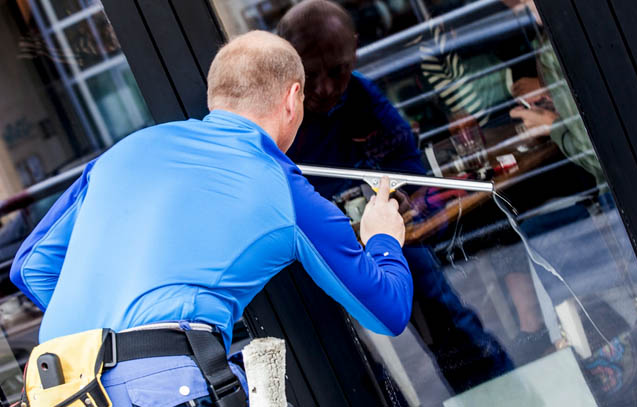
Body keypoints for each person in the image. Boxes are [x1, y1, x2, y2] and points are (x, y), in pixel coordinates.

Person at [9, 31, 413, 406]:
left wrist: (102, 334)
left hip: (60, 389)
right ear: (293, 99)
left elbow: (31, 267)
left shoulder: (122, 152)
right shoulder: (287, 193)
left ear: (215, 97)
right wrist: (383, 238)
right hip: (164, 389)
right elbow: (386, 311)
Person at [277, 0, 513, 394]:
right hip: (303, 254)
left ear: (354, 49)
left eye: (338, 70)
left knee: (448, 320)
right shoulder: (276, 113)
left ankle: (501, 395)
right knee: (344, 362)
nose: (326, 88)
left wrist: (402, 197)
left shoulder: (359, 95)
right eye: (311, 74)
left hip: (371, 237)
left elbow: (408, 164)